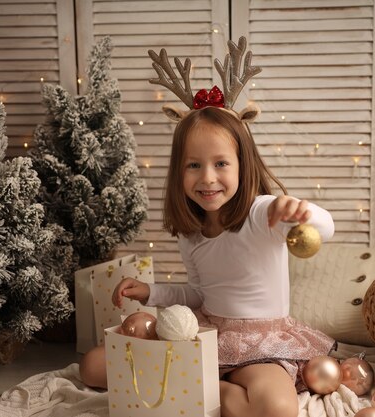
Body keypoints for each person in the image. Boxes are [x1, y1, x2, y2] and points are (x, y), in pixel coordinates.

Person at [80, 105, 336, 417]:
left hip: (260, 348)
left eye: (221, 163)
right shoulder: (192, 235)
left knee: (279, 410)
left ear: (243, 164)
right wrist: (152, 293)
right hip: (205, 334)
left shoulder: (262, 213)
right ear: (179, 171)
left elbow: (326, 228)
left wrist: (297, 211)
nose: (208, 178)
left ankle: (192, 386)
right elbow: (200, 294)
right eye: (193, 165)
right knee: (92, 367)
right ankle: (199, 386)